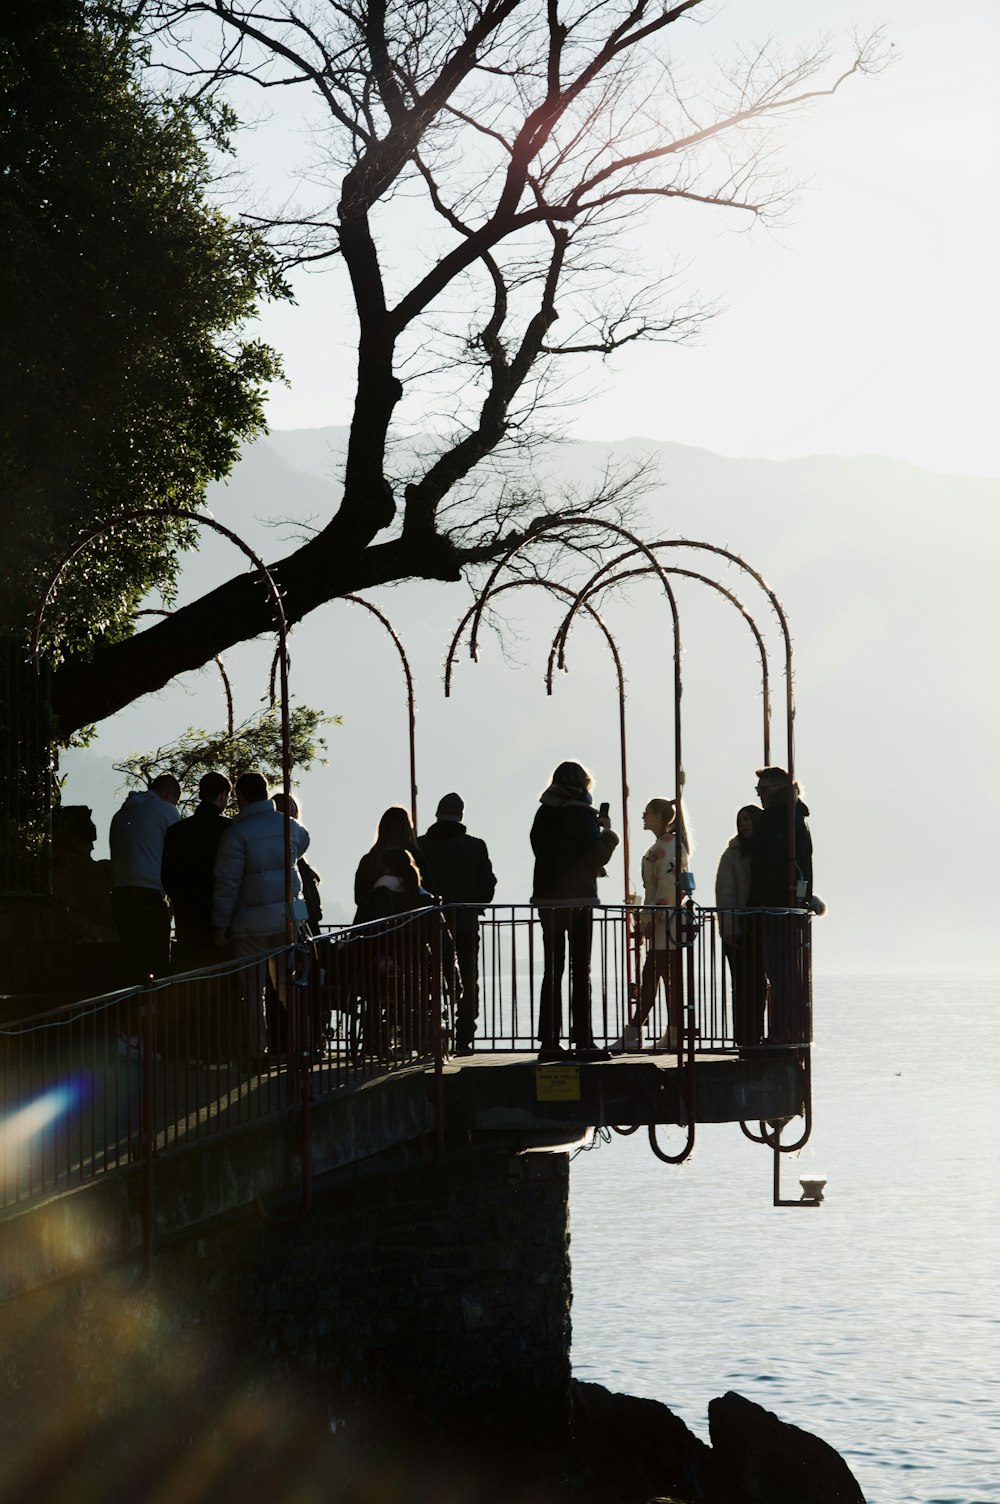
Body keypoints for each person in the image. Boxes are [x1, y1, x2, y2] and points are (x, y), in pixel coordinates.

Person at [212, 771, 310, 1061]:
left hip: (250, 924)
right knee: (288, 983)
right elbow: (303, 844)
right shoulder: (288, 825)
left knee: (252, 991)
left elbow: (227, 884)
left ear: (240, 796)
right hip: (287, 919)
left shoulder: (236, 834)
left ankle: (258, 1050)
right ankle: (298, 1044)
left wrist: (221, 924)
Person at [530, 760, 618, 1063]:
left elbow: (539, 849)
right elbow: (597, 856)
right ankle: (583, 1039)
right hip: (578, 900)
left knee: (552, 969)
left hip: (546, 900)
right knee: (581, 969)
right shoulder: (581, 813)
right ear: (583, 784)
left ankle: (549, 1041)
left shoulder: (543, 812)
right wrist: (608, 834)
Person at [419, 792, 497, 1055]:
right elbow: (488, 883)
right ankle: (464, 1037)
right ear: (461, 815)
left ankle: (427, 1034)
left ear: (437, 813)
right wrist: (477, 904)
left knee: (426, 977)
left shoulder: (420, 847)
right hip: (465, 922)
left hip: (428, 926)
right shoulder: (475, 846)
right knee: (467, 977)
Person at [612, 797, 689, 1054]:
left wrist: (650, 918)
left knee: (653, 976)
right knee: (665, 978)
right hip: (666, 923)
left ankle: (635, 1031)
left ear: (657, 815)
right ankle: (672, 1032)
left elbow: (665, 888)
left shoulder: (666, 848)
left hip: (664, 924)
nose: (643, 816)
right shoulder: (665, 846)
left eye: (646, 813)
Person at [748, 766, 813, 1042]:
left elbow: (769, 867)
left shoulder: (780, 818)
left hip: (776, 907)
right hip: (786, 905)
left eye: (762, 790)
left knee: (780, 973)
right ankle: (788, 1029)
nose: (759, 795)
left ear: (776, 790)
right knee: (784, 972)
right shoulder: (795, 816)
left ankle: (781, 1030)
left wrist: (755, 903)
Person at [109, 773, 181, 984]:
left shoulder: (120, 814)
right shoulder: (164, 811)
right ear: (169, 794)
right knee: (157, 962)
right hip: (148, 895)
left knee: (130, 959)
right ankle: (155, 1012)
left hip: (119, 894)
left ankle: (129, 1010)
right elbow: (178, 851)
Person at [161, 771, 232, 971]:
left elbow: (167, 874)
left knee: (190, 974)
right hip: (218, 913)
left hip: (187, 914)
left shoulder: (177, 830)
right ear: (222, 795)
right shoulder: (229, 829)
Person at [714, 805, 767, 1048]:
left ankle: (757, 1034)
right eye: (740, 820)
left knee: (759, 986)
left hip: (760, 929)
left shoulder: (765, 851)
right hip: (739, 930)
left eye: (747, 819)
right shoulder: (732, 854)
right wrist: (729, 930)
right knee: (743, 986)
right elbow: (725, 894)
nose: (744, 824)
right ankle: (744, 1037)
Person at [354, 806, 422, 908]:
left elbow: (359, 897)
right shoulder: (414, 859)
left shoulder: (368, 860)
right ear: (407, 830)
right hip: (408, 921)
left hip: (373, 920)